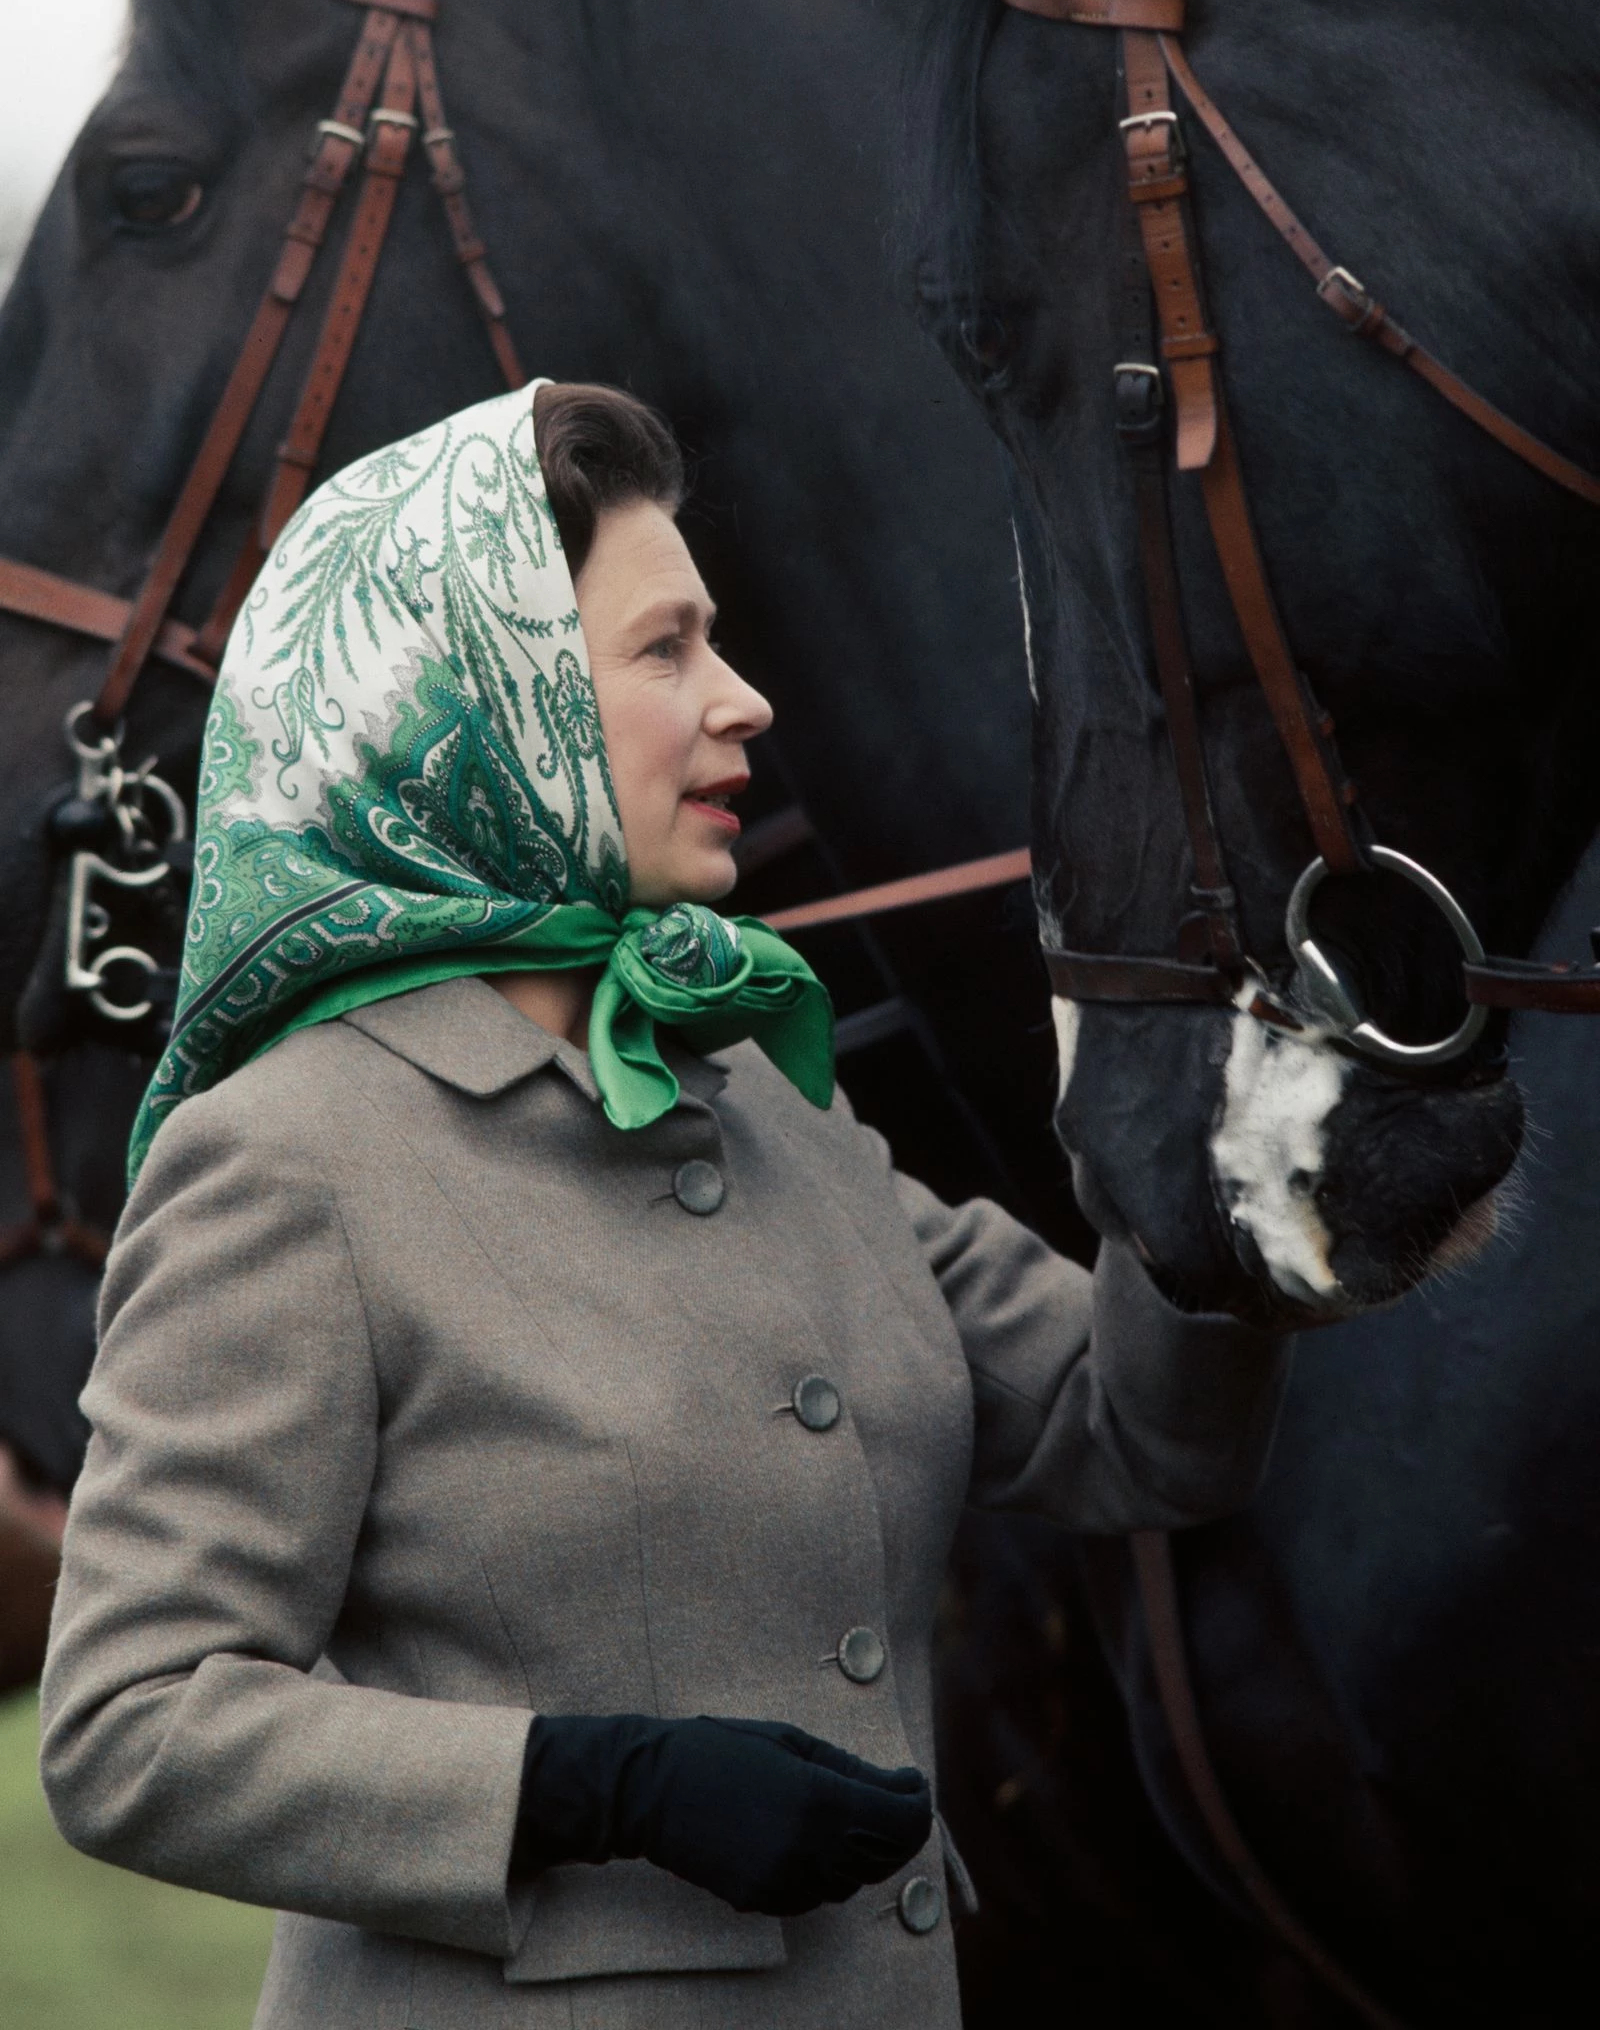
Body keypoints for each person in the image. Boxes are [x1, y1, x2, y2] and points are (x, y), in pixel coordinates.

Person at [39, 380, 1286, 2030]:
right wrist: (585, 1785)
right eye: (667, 650)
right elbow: (130, 1726)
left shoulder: (760, 1091)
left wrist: (1218, 1132)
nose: (746, 701)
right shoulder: (286, 1163)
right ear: (487, 707)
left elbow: (1135, 1430)